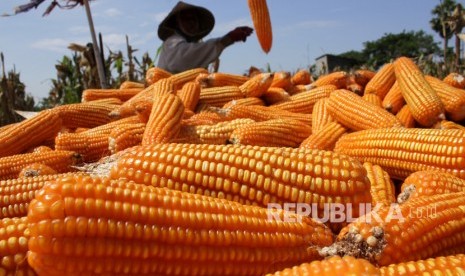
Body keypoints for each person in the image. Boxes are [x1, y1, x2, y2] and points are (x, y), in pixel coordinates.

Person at [157, 1, 253, 73]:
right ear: (177, 23)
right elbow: (185, 58)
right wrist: (229, 38)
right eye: (187, 19)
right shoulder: (172, 41)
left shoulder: (190, 43)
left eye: (194, 19)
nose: (192, 22)